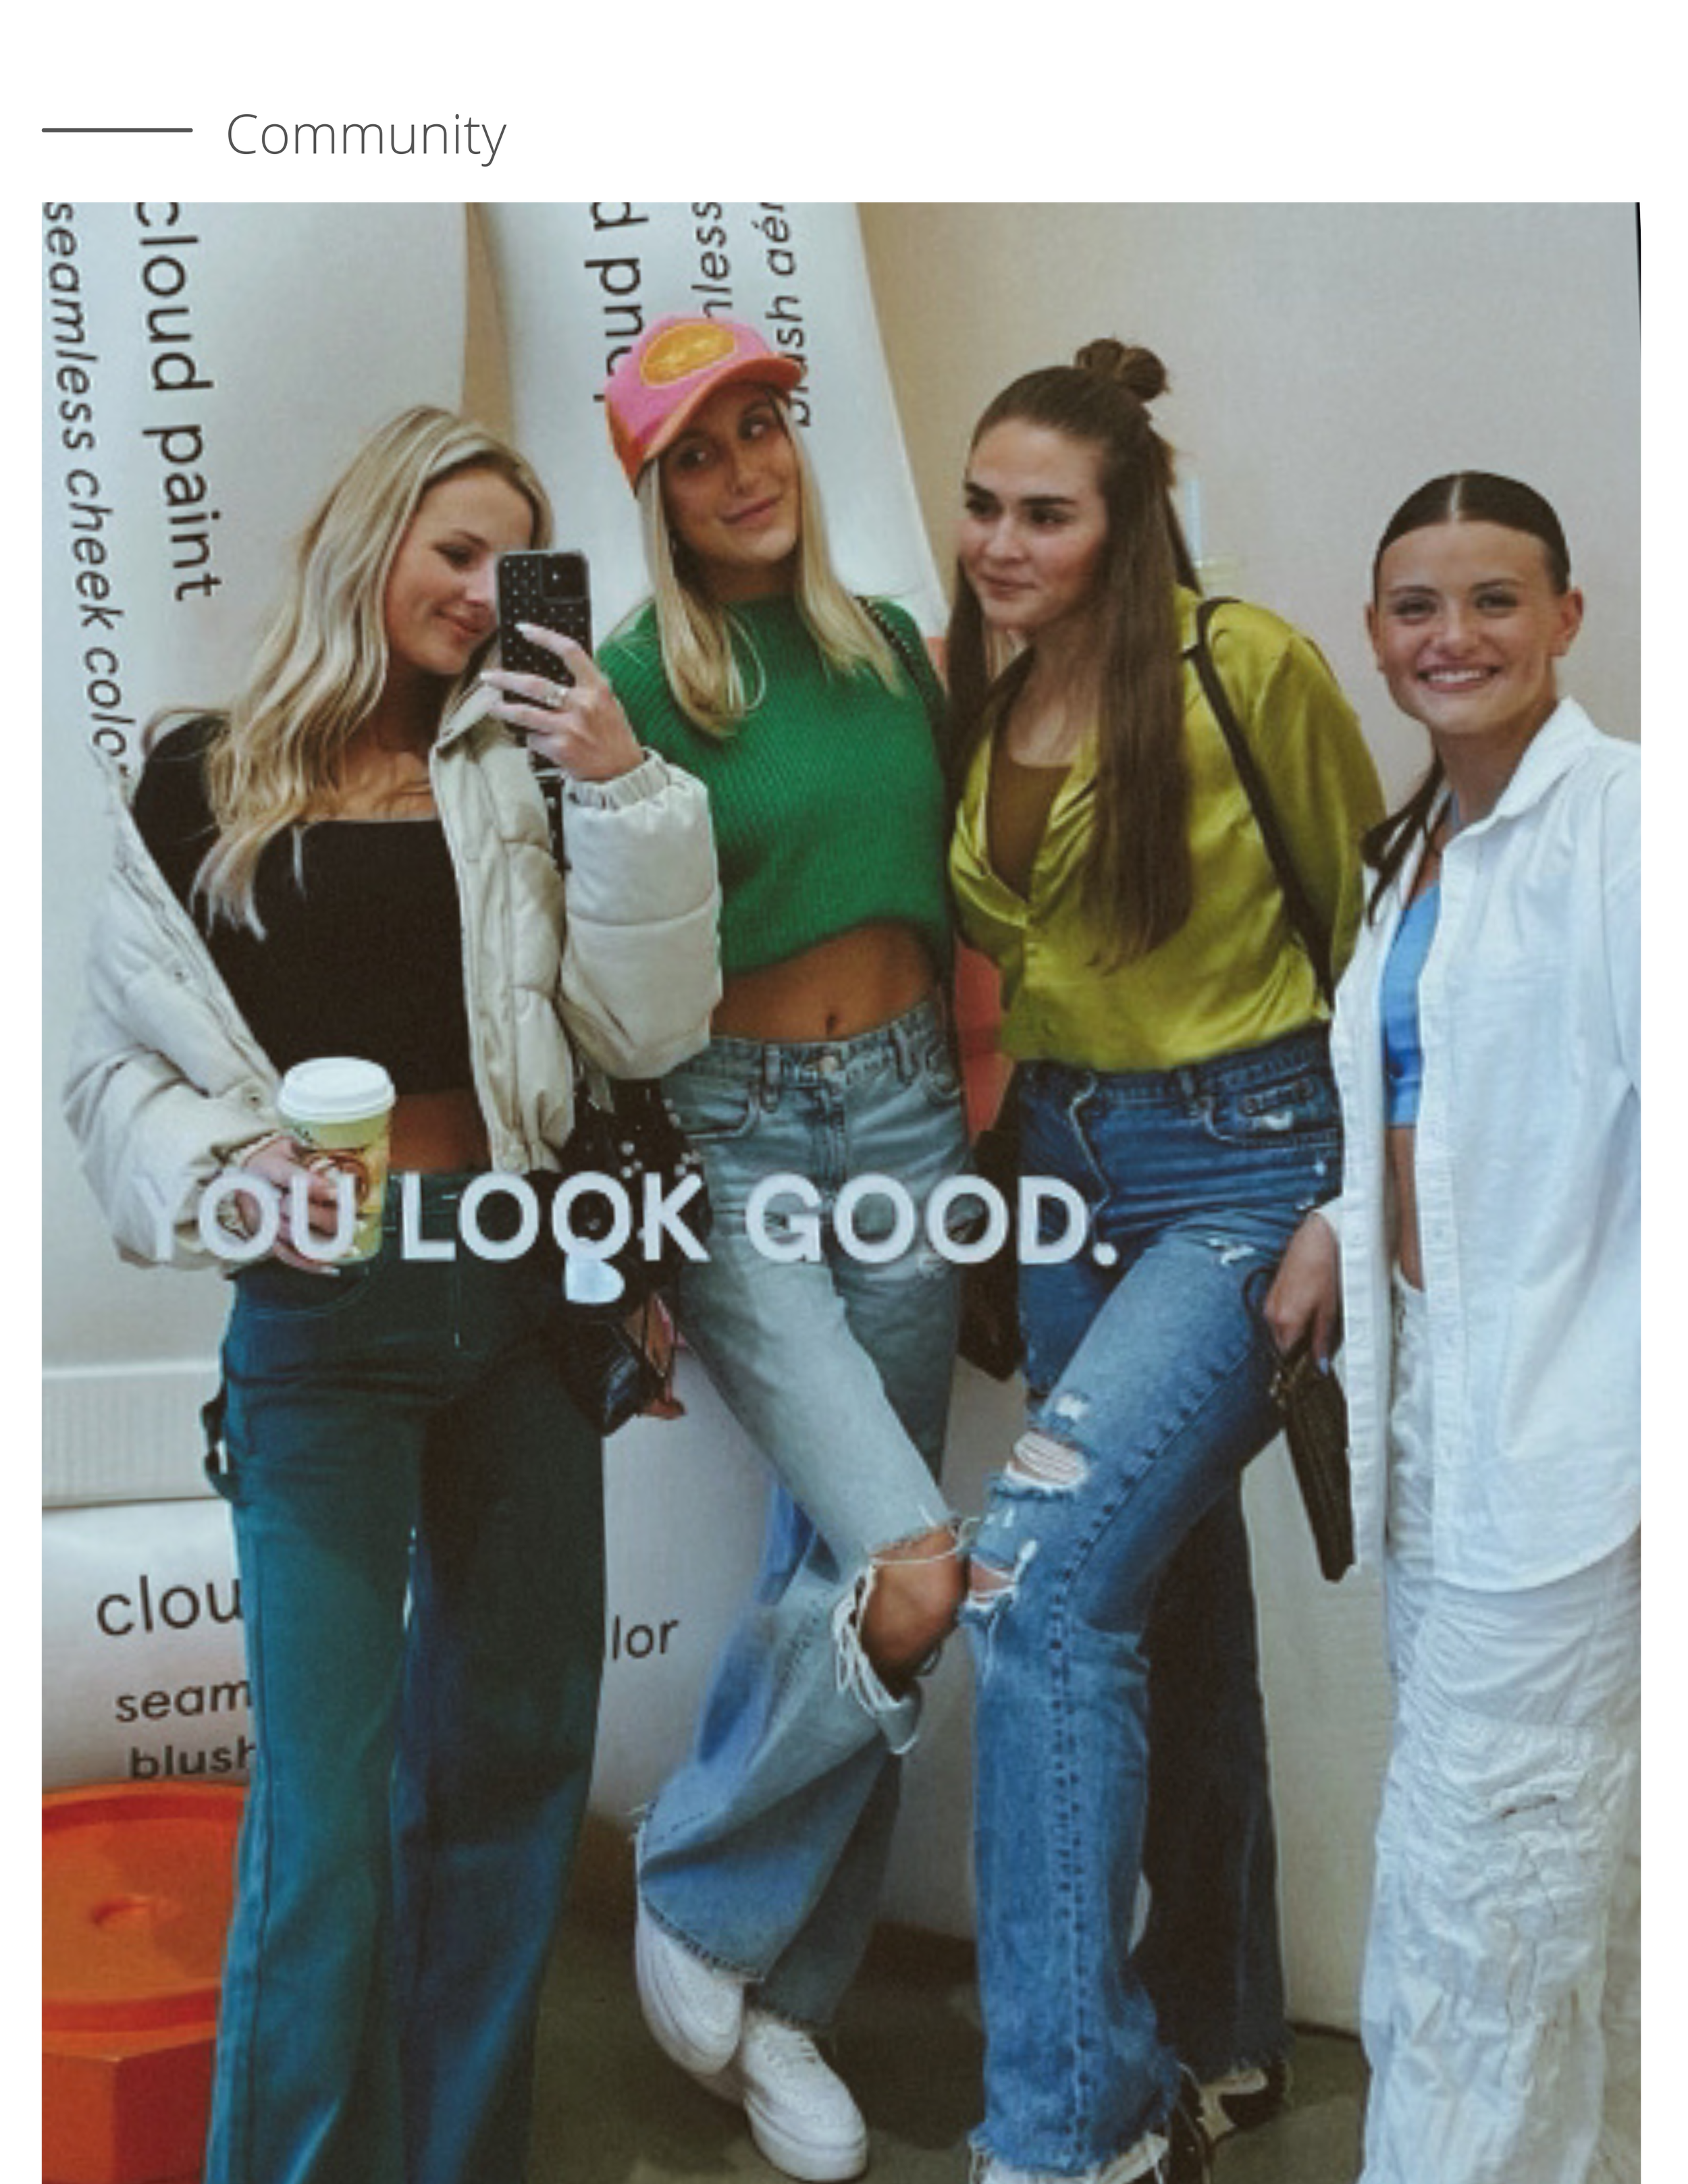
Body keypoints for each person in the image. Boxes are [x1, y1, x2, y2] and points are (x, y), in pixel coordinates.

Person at [62, 406, 720, 2184]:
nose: (475, 590)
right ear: (369, 540)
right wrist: (226, 1173)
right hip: (318, 1315)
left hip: (512, 1298)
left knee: (509, 1775)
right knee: (325, 1816)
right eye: (451, 547)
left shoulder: (528, 768)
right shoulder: (200, 776)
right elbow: (115, 1077)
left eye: (510, 561)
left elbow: (645, 1029)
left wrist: (623, 784)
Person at [946, 339, 1386, 2184]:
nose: (999, 542)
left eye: (1044, 512)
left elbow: (1372, 921)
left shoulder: (1241, 664)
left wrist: (1344, 1205)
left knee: (1034, 1591)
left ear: (1124, 519)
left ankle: (1076, 2126)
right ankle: (1213, 2027)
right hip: (1063, 1171)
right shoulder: (981, 683)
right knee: (1159, 1596)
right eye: (980, 505)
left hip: (1238, 1164)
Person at [595, 315, 968, 2184]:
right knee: (912, 1562)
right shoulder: (634, 679)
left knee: (850, 1555)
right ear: (652, 489)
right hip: (730, 1136)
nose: (748, 467)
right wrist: (630, 1230)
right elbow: (598, 975)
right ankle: (699, 1887)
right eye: (702, 451)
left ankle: (785, 2003)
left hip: (909, 1114)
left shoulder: (889, 650)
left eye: (766, 429)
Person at [1265, 473, 1639, 2183]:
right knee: (1547, 1877)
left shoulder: (1632, 829)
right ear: (1374, 635)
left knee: (1477, 1902)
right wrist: (1343, 1222)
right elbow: (1418, 1104)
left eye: (1494, 601)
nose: (1453, 636)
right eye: (1417, 606)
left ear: (1565, 616)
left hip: (1572, 1442)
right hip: (1433, 1420)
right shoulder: (1411, 849)